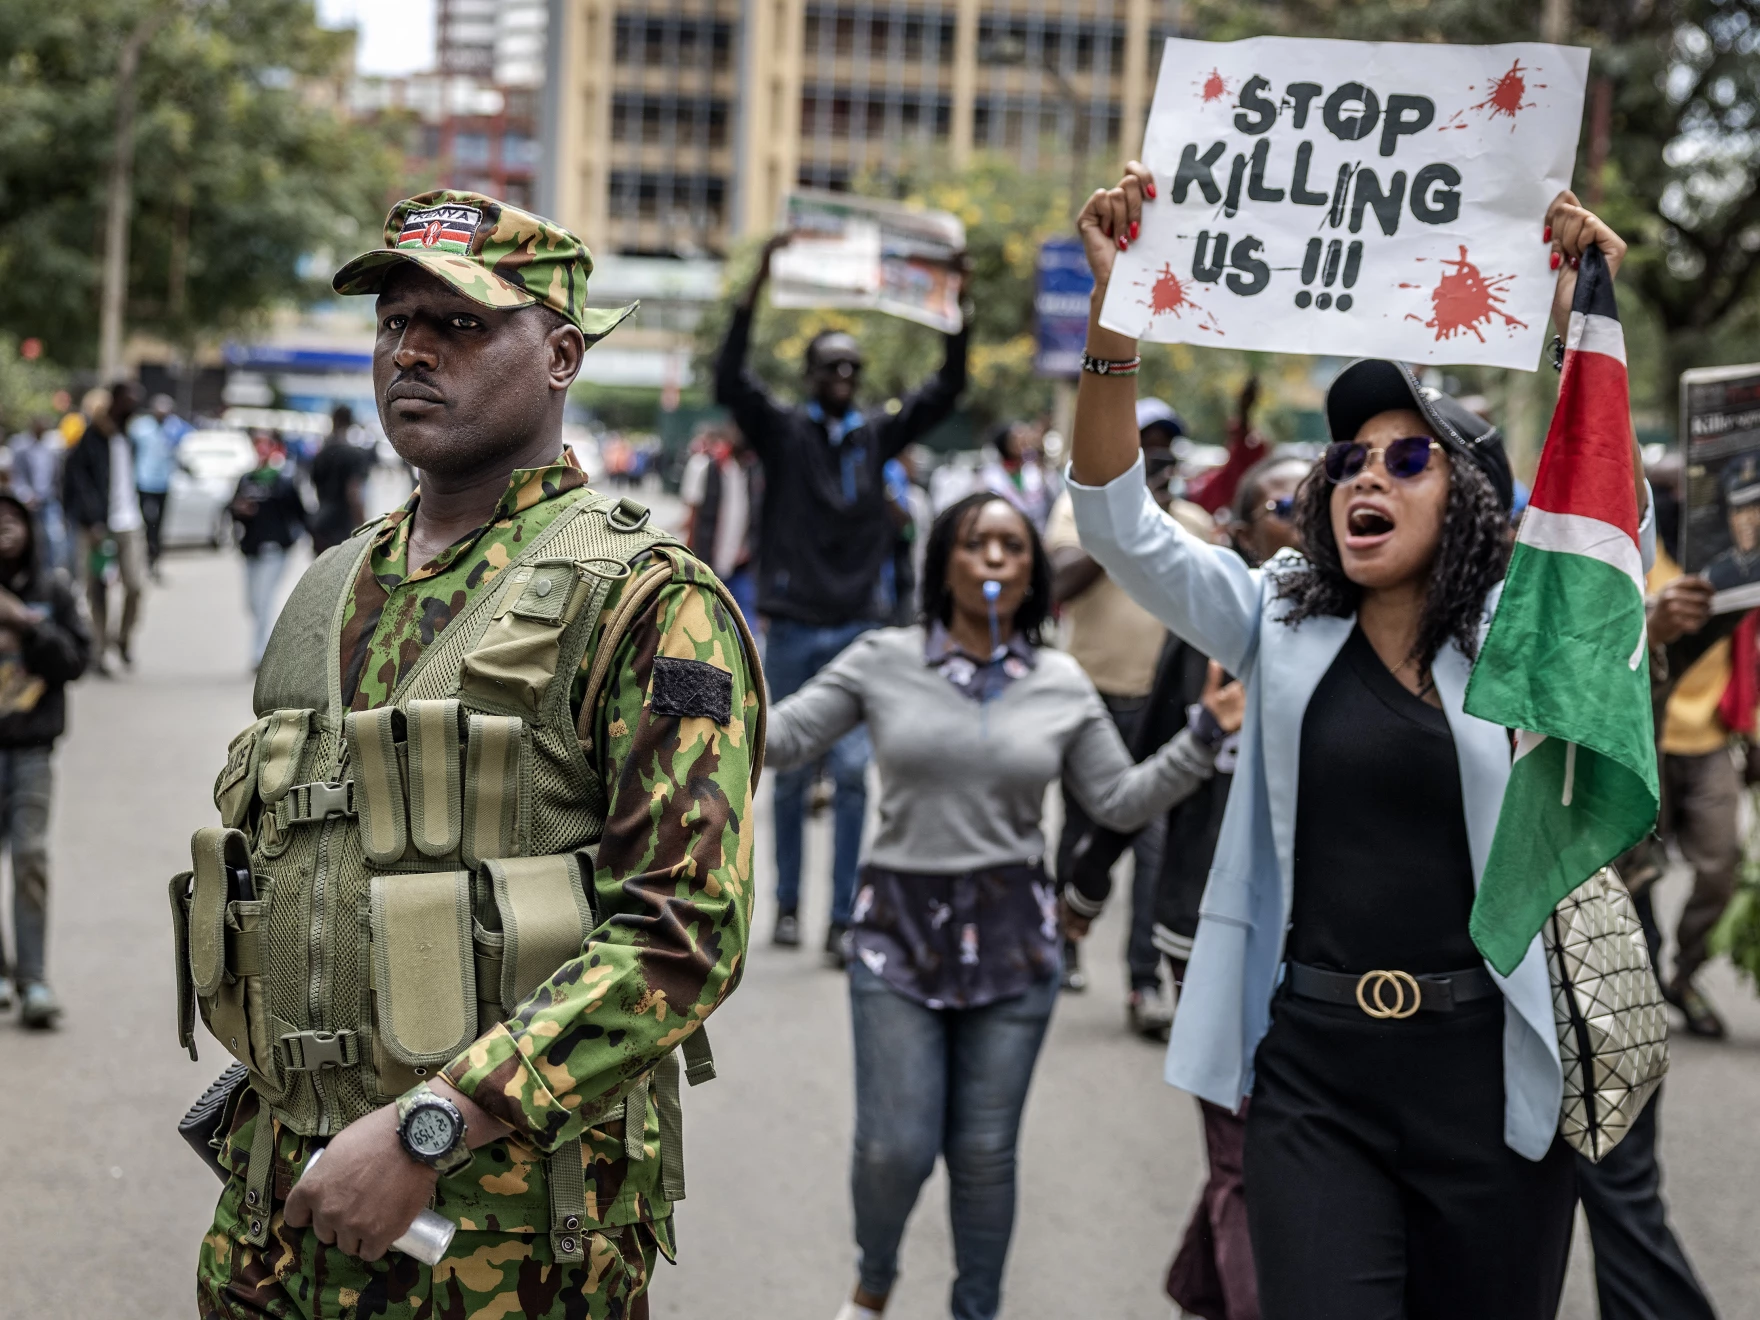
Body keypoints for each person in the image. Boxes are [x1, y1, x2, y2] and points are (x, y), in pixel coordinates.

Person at [1068, 165, 1651, 1320]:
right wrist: (1114, 310)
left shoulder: (1522, 636)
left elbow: (1606, 532)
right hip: (1313, 1081)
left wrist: (1573, 319)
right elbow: (1116, 523)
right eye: (1346, 459)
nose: (1361, 475)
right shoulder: (1275, 615)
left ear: (1468, 499)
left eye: (1405, 457)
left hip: (1489, 1078)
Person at [183, 190, 763, 1320]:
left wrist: (433, 1123)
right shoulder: (329, 583)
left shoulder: (647, 600)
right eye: (396, 322)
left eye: (460, 325)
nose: (412, 350)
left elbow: (682, 935)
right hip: (274, 1210)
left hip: (503, 1246)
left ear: (560, 356)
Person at [765, 491, 1238, 1320]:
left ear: (1032, 573)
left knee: (984, 1155)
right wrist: (698, 678)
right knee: (895, 1148)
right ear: (943, 559)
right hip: (895, 936)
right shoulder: (883, 659)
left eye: (1013, 546)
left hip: (1016, 944)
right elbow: (780, 738)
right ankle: (872, 1286)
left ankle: (975, 1309)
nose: (994, 558)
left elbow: (1119, 800)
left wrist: (1203, 735)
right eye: (975, 542)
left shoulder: (1059, 682)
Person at [715, 232, 967, 961]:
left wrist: (959, 302)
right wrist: (756, 282)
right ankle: (790, 907)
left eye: (853, 367)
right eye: (831, 365)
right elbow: (731, 378)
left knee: (855, 774)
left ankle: (843, 917)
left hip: (859, 628)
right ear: (810, 374)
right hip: (795, 627)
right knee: (788, 774)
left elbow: (947, 390)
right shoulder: (783, 433)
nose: (844, 375)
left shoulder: (875, 439)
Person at [1045, 411, 1209, 1027]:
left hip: (1158, 705)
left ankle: (1144, 981)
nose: (1156, 463)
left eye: (1166, 453)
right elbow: (1061, 583)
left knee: (1152, 840)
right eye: (1146, 450)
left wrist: (1161, 519)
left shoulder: (1193, 523)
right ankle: (1065, 943)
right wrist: (1122, 521)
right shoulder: (1077, 512)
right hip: (1089, 696)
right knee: (1082, 828)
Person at [0, 492, 91, 1030]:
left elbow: (77, 660)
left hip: (32, 748)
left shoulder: (52, 589)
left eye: (13, 518)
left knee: (30, 856)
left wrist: (26, 624)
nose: (5, 527)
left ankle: (33, 980)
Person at [61, 383, 149, 675]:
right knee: (96, 589)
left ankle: (122, 639)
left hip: (130, 523)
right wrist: (92, 521)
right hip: (98, 527)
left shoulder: (129, 438)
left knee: (135, 586)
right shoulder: (91, 438)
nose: (132, 404)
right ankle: (99, 651)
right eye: (128, 398)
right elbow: (77, 482)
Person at [229, 431, 309, 668]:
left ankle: (260, 655)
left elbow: (300, 514)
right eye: (257, 444)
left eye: (266, 444)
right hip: (251, 550)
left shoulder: (283, 480)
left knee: (264, 601)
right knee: (252, 603)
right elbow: (232, 510)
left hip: (275, 551)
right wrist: (240, 510)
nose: (261, 449)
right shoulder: (247, 479)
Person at [677, 419, 759, 627]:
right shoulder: (706, 467)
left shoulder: (751, 472)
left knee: (743, 626)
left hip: (741, 564)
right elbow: (693, 516)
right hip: (709, 561)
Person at [309, 404, 376, 556]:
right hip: (342, 528)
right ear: (350, 423)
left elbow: (314, 485)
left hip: (320, 523)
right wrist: (365, 528)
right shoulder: (354, 455)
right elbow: (354, 493)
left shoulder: (322, 454)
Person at [10, 414, 68, 571]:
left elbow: (57, 475)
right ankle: (34, 570)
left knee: (54, 536)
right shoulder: (21, 446)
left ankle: (53, 570)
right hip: (30, 501)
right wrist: (25, 495)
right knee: (32, 537)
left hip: (49, 499)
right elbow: (17, 476)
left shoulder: (51, 446)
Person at [976, 420, 1056, 530]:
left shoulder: (1035, 472)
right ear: (1004, 443)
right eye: (1015, 438)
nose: (1022, 442)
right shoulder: (989, 478)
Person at [131, 394, 179, 574]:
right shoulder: (140, 428)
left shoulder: (172, 428)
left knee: (158, 524)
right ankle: (144, 555)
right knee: (147, 520)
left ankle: (154, 557)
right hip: (144, 483)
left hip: (163, 483)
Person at [1703, 453, 1760, 594]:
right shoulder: (1713, 574)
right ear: (1730, 517)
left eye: (1755, 508)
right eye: (1739, 510)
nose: (1747, 519)